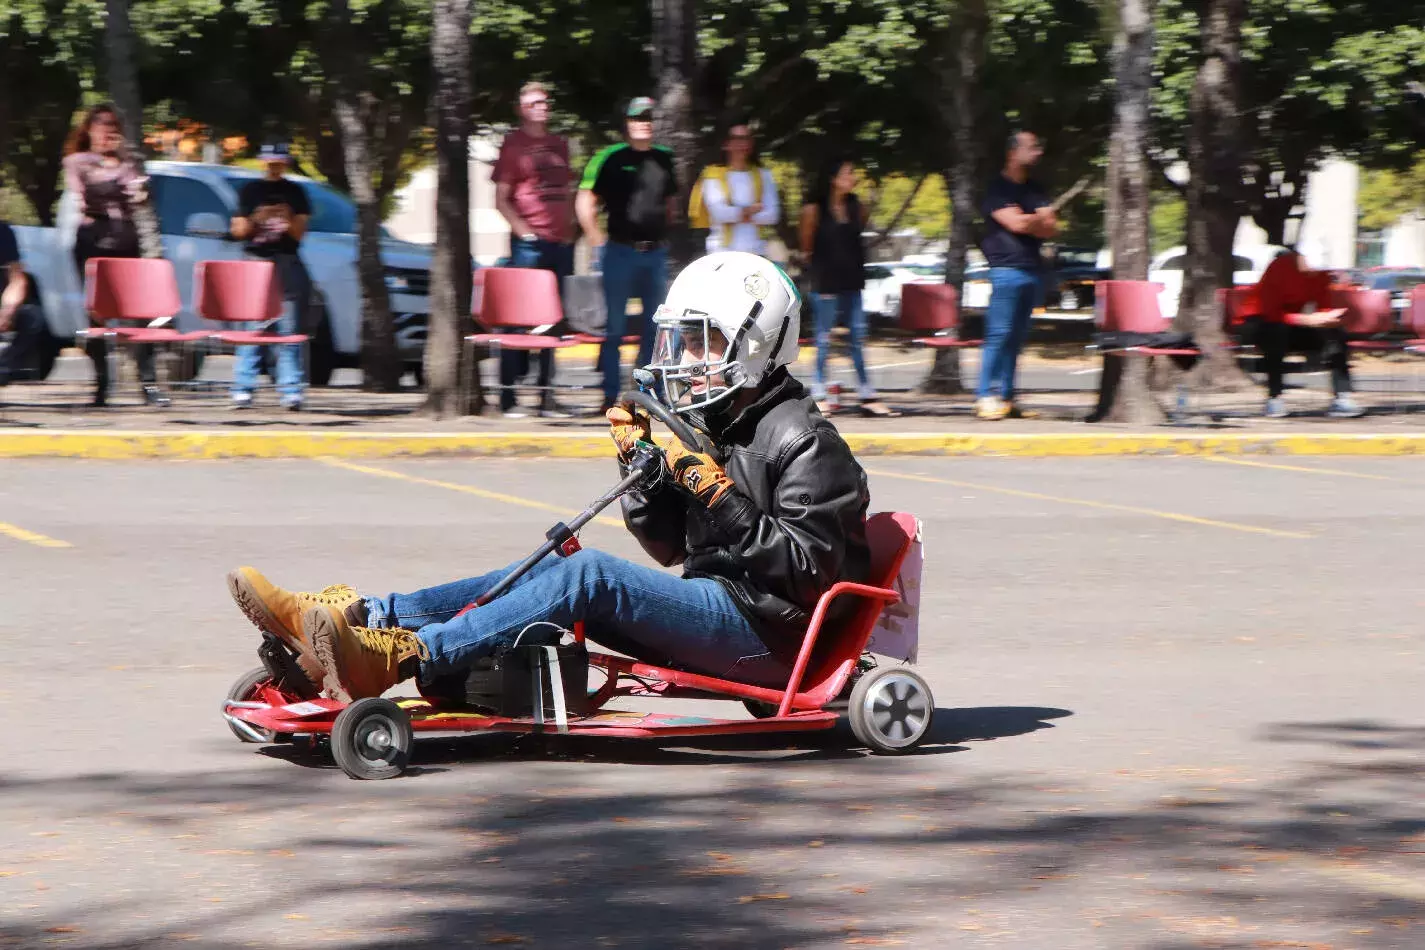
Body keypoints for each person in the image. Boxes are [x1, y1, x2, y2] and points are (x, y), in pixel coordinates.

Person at [227, 251, 873, 703]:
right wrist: (642, 471)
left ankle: (402, 658)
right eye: (682, 342)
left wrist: (714, 491)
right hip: (717, 608)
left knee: (591, 575)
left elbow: (810, 573)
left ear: (755, 345)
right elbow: (670, 546)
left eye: (701, 342)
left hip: (769, 640)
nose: (684, 359)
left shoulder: (810, 444)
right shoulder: (719, 421)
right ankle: (360, 618)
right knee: (553, 566)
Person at [576, 97, 679, 414]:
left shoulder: (665, 158)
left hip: (654, 253)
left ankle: (645, 395)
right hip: (619, 252)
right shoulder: (609, 158)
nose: (643, 123)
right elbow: (585, 199)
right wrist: (596, 238)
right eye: (637, 118)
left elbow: (671, 203)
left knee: (655, 327)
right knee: (615, 329)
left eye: (649, 118)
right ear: (627, 123)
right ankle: (609, 397)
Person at [63, 103, 165, 407]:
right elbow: (88, 194)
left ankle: (148, 383)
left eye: (114, 125)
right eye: (103, 124)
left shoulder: (127, 161)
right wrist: (117, 174)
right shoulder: (77, 161)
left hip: (125, 241)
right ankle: (102, 383)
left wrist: (129, 173)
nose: (109, 130)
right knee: (96, 313)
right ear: (90, 129)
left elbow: (141, 196)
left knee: (139, 313)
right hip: (92, 243)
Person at [491, 81, 575, 419]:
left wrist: (570, 229)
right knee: (518, 321)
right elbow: (500, 198)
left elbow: (567, 190)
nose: (542, 106)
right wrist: (524, 233)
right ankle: (509, 399)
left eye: (545, 101)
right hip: (529, 245)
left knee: (554, 322)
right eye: (534, 102)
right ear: (521, 109)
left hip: (560, 243)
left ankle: (545, 397)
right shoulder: (514, 146)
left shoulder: (559, 145)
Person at [797, 156, 896, 418]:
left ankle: (867, 393)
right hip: (826, 282)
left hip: (852, 281)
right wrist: (819, 272)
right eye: (847, 173)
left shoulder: (856, 207)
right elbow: (807, 247)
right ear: (833, 179)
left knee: (857, 339)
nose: (852, 178)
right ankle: (819, 393)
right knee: (824, 339)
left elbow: (855, 239)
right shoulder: (814, 210)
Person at [977, 130, 1058, 421]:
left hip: (1031, 270)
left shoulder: (1035, 188)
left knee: (1017, 339)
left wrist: (1030, 220)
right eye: (1031, 147)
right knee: (998, 335)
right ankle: (984, 395)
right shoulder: (996, 189)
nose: (1037, 152)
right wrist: (1034, 219)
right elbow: (1017, 224)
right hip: (1005, 270)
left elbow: (1051, 226)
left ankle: (1007, 397)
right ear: (1013, 152)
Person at [229, 142, 310, 411]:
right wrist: (258, 216)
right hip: (256, 260)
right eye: (270, 161)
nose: (275, 166)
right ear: (263, 161)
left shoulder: (296, 191)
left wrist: (287, 217)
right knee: (252, 327)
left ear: (286, 162)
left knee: (287, 328)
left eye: (279, 161)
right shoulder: (251, 190)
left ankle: (290, 391)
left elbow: (299, 233)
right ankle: (242, 389)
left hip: (286, 260)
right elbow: (239, 231)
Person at [1242, 249, 1362, 419]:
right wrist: (1307, 320)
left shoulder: (1320, 274)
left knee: (1336, 334)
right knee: (1276, 334)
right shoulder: (1280, 266)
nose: (1313, 272)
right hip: (1259, 322)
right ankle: (1274, 399)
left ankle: (1342, 397)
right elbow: (1270, 312)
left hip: (1292, 323)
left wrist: (1328, 318)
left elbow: (1322, 304)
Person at [690, 120, 779, 255]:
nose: (742, 144)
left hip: (756, 251)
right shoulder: (713, 174)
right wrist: (752, 210)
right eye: (737, 139)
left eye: (746, 138)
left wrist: (736, 213)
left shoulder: (764, 175)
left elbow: (772, 215)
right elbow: (719, 213)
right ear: (726, 144)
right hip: (721, 252)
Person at [0, 220, 48, 386]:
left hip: (2, 302)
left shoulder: (3, 232)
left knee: (33, 317)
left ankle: (4, 366)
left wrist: (7, 311)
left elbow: (17, 280)